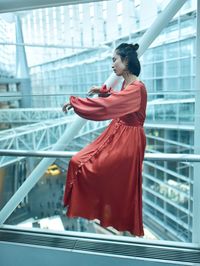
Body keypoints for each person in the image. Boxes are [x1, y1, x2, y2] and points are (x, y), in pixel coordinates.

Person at [62, 43, 147, 236]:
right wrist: (105, 92)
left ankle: (99, 210)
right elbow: (119, 99)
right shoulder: (130, 85)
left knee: (89, 167)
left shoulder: (137, 88)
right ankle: (96, 209)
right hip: (119, 133)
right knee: (79, 163)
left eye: (114, 59)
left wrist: (76, 102)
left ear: (126, 61)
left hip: (128, 139)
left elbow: (108, 107)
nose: (112, 65)